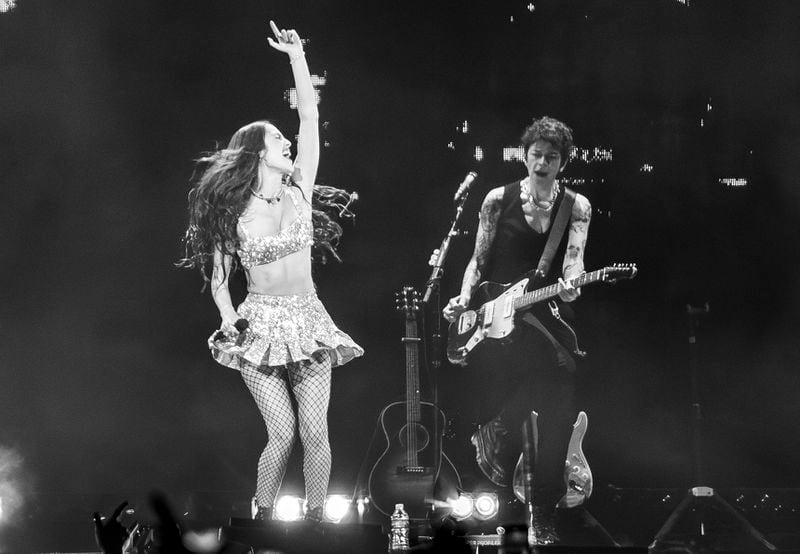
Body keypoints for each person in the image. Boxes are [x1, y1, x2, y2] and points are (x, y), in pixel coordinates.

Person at [179, 21, 363, 523]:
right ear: (258, 152)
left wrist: (297, 57)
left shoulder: (301, 188)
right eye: (277, 139)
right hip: (258, 323)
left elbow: (309, 112)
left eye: (285, 138)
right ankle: (262, 518)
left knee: (316, 432)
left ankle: (319, 521)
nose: (287, 143)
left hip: (308, 320)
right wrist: (225, 316)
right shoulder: (232, 214)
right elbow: (219, 278)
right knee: (280, 432)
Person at [442, 116, 591, 542]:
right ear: (525, 156)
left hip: (547, 314)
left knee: (560, 409)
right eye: (536, 155)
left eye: (552, 157)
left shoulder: (576, 206)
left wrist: (572, 287)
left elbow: (575, 261)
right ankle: (500, 437)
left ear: (563, 162)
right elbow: (478, 258)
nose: (542, 163)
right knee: (532, 388)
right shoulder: (496, 199)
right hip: (498, 316)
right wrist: (464, 297)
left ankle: (543, 510)